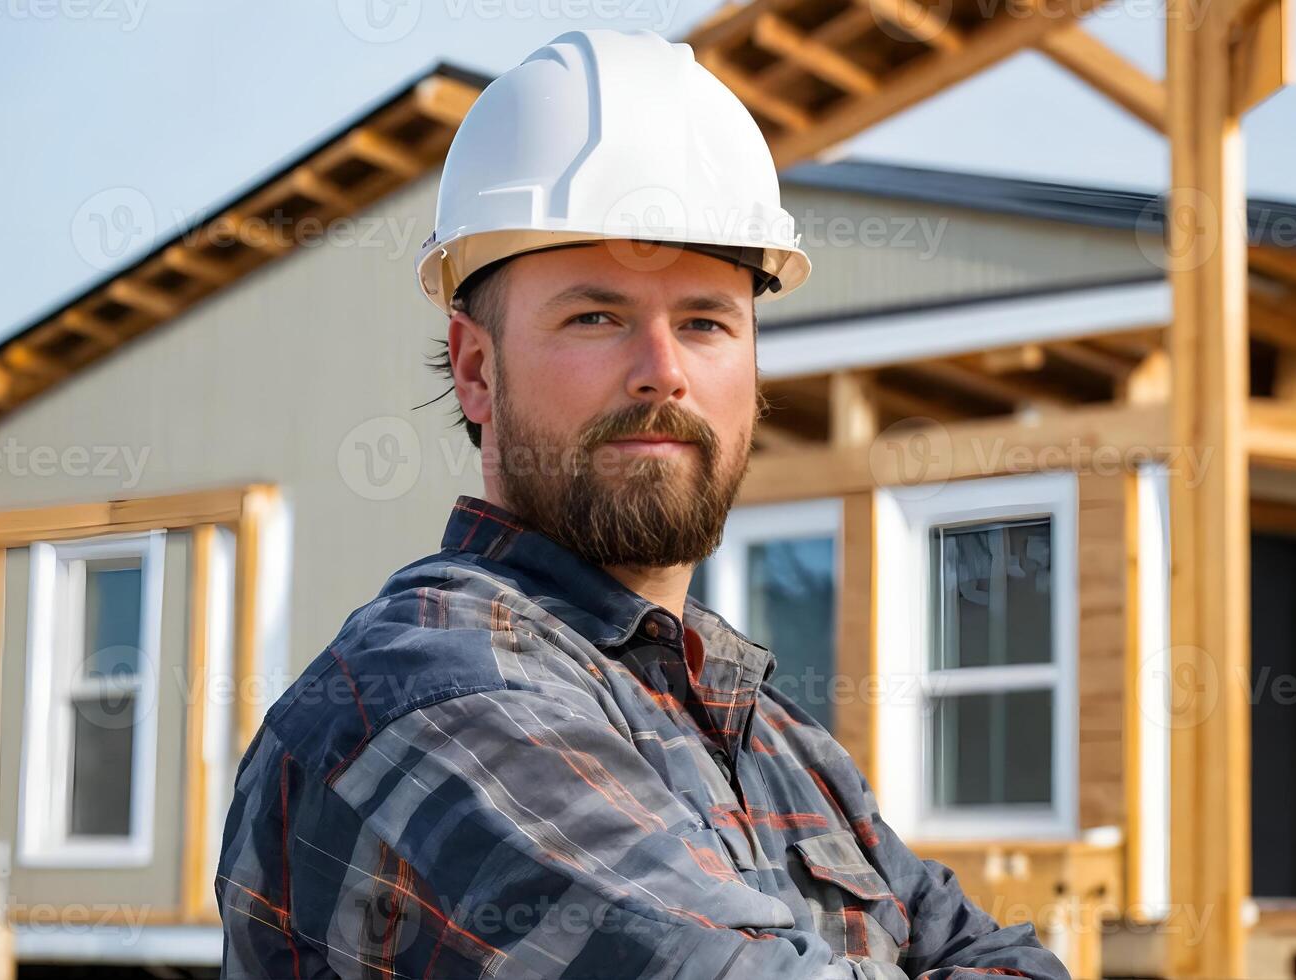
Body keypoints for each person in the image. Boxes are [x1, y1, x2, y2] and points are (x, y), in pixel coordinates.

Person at [216, 28, 1069, 979]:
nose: (662, 373)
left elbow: (1010, 959)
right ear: (475, 368)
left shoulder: (770, 732)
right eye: (596, 317)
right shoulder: (433, 694)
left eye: (705, 322)